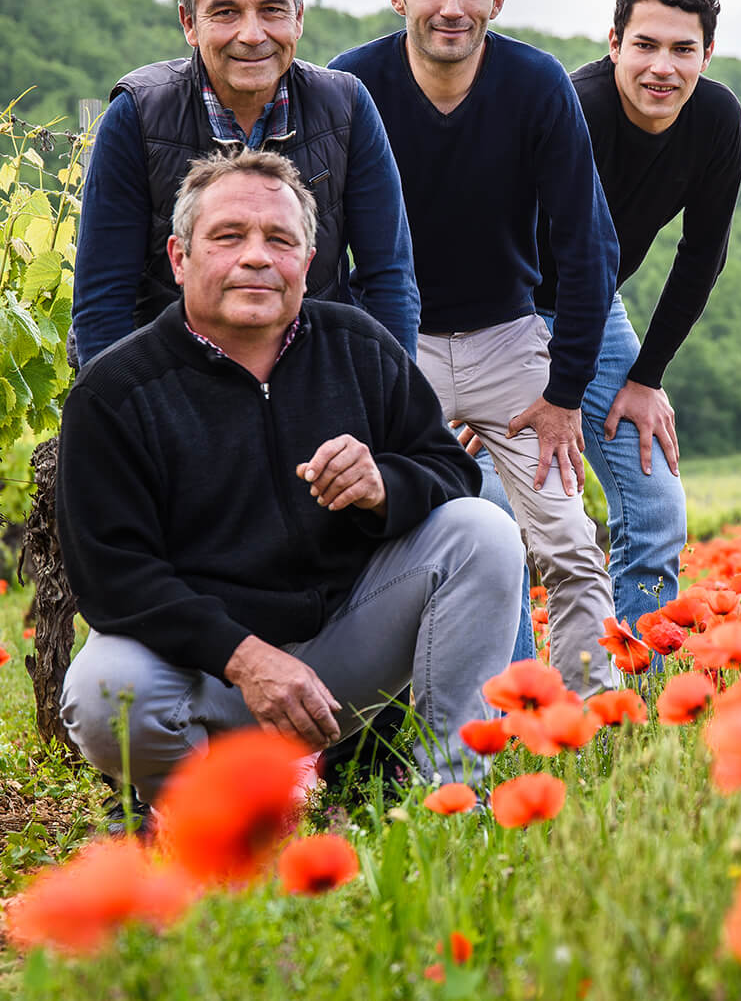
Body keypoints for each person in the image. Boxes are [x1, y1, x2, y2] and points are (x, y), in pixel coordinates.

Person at [58, 150, 521, 808]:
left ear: (307, 263)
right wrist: (244, 658)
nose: (256, 257)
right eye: (228, 236)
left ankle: (445, 799)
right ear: (179, 257)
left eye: (280, 240)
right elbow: (114, 578)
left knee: (483, 531)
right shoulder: (115, 392)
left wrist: (383, 484)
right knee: (105, 691)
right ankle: (204, 816)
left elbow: (449, 467)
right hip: (206, 674)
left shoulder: (357, 346)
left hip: (339, 659)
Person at [333, 0, 620, 698]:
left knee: (566, 539)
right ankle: (383, 721)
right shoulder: (352, 88)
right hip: (397, 345)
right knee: (363, 532)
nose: (449, 6)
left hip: (510, 343)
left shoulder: (537, 86)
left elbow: (588, 247)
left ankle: (587, 721)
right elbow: (319, 248)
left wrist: (564, 396)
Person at [71, 0, 418, 367]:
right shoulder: (138, 115)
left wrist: (388, 403)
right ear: (189, 24)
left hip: (313, 372)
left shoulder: (347, 107)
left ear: (298, 18)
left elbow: (389, 278)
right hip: (173, 375)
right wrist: (120, 414)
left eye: (272, 10)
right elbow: (103, 299)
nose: (252, 35)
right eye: (226, 12)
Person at [528, 0, 741, 645]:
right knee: (498, 512)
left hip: (598, 314)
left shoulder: (715, 119)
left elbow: (702, 253)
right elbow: (490, 235)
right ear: (614, 42)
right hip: (507, 313)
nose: (663, 68)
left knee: (654, 502)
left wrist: (647, 378)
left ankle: (634, 695)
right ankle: (506, 707)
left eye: (683, 50)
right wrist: (480, 368)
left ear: (706, 55)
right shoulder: (573, 109)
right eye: (645, 45)